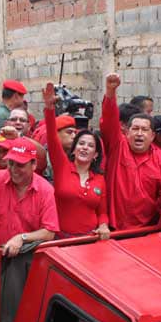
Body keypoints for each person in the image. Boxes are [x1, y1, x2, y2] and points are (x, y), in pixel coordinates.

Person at [99, 74, 161, 233]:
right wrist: (110, 92)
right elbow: (108, 120)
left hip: (145, 231)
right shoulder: (118, 146)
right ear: (126, 133)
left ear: (152, 136)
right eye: (135, 129)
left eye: (144, 130)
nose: (139, 134)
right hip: (112, 229)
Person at [0, 138, 59, 290]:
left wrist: (21, 238)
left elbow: (49, 232)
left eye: (20, 165)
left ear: (34, 165)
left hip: (24, 267)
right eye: (11, 163)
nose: (14, 169)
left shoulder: (45, 190)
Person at [42, 83, 109, 240]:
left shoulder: (99, 179)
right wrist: (50, 109)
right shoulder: (62, 167)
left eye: (90, 145)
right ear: (74, 149)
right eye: (81, 143)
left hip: (89, 240)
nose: (85, 148)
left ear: (95, 154)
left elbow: (103, 212)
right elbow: (52, 137)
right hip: (60, 240)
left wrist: (104, 225)